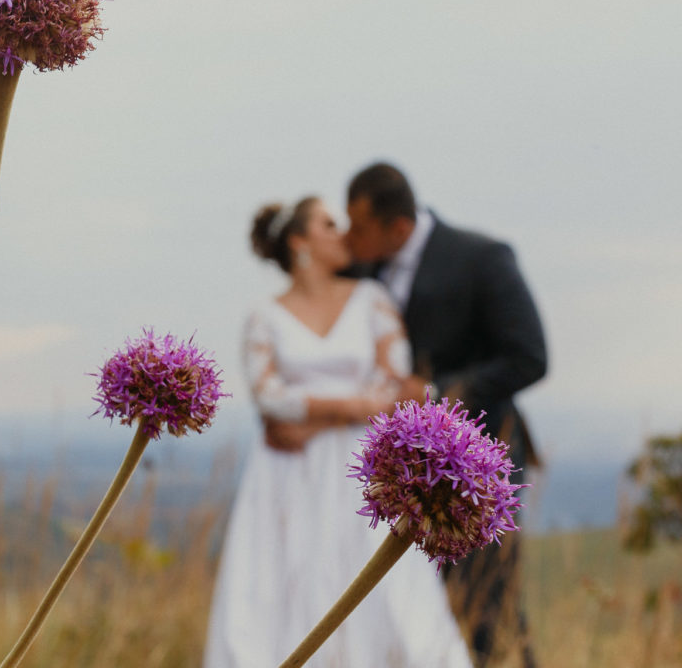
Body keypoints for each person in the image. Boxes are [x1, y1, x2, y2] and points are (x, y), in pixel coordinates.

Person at [203, 197, 472, 668]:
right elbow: (267, 394)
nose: (341, 232)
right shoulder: (263, 315)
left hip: (364, 461)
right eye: (328, 224)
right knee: (281, 580)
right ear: (299, 241)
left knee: (383, 588)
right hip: (287, 471)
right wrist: (352, 405)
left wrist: (318, 418)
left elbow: (395, 382)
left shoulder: (372, 300)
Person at [340, 161, 548, 668]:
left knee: (486, 604)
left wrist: (436, 392)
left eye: (359, 226)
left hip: (479, 456)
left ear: (399, 227)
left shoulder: (482, 257)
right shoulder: (360, 271)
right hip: (396, 465)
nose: (348, 237)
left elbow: (529, 357)